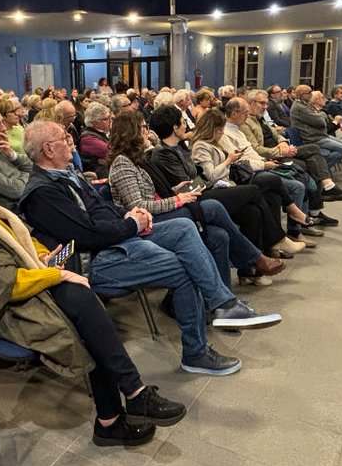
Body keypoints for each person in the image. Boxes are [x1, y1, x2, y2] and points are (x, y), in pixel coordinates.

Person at [0, 149, 185, 447]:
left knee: (86, 309)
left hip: (19, 289)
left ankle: (120, 410)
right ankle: (126, 402)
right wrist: (56, 275)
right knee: (83, 307)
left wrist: (40, 255)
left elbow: (17, 241)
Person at [20, 120, 281, 377]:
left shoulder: (69, 175)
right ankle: (197, 351)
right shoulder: (42, 192)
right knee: (185, 264)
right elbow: (87, 235)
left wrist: (131, 215)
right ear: (48, 150)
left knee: (183, 227)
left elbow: (103, 211)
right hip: (94, 261)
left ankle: (223, 305)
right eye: (63, 138)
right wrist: (133, 224)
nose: (70, 141)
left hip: (116, 240)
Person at [105, 112, 284, 287]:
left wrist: (176, 190)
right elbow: (139, 207)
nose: (148, 131)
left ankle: (224, 298)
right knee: (215, 206)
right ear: (132, 132)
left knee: (219, 236)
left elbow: (151, 193)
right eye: (144, 127)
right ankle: (255, 258)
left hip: (160, 214)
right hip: (148, 224)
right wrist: (177, 199)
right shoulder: (123, 163)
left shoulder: (136, 160)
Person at [147, 106, 297, 264]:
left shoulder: (180, 146)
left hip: (203, 188)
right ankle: (276, 239)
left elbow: (196, 175)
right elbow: (188, 181)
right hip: (193, 197)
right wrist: (227, 162)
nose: (186, 124)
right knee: (254, 190)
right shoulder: (164, 153)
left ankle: (250, 271)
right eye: (183, 122)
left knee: (252, 212)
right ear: (175, 127)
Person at [78, 102, 113, 174]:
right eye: (106, 119)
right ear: (95, 123)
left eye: (110, 117)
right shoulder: (87, 139)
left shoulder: (103, 132)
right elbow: (112, 152)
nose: (110, 121)